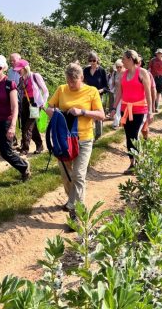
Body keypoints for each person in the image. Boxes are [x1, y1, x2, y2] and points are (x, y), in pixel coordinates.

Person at [46, 63, 105, 226]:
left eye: (74, 81)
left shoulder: (91, 91)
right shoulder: (61, 89)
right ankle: (71, 199)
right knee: (66, 175)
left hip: (84, 139)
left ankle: (76, 212)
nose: (71, 85)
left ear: (82, 78)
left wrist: (83, 112)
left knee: (78, 175)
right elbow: (49, 107)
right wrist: (54, 113)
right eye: (69, 81)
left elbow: (101, 115)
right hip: (64, 140)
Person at [0, 54, 30, 193]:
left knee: (6, 152)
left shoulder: (10, 84)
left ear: (4, 68)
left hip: (4, 122)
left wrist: (12, 126)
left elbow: (15, 108)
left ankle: (23, 167)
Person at [111, 50, 153, 174]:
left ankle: (138, 161)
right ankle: (132, 163)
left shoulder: (143, 72)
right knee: (128, 136)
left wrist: (150, 111)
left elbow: (148, 93)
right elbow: (119, 92)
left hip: (140, 109)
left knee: (134, 135)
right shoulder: (123, 74)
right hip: (126, 109)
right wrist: (114, 108)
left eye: (123, 59)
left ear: (130, 59)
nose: (122, 61)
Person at [14, 59, 49, 155]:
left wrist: (42, 103)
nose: (17, 71)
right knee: (29, 126)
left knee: (28, 127)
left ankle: (25, 148)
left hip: (35, 103)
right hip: (25, 102)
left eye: (19, 69)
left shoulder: (35, 76)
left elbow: (45, 91)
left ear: (25, 68)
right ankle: (39, 145)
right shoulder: (21, 79)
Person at [83, 52, 108, 140]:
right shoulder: (86, 70)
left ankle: (98, 134)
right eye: (90, 60)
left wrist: (100, 90)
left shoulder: (102, 71)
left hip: (98, 96)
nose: (92, 62)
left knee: (97, 115)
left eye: (94, 60)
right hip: (87, 95)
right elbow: (82, 82)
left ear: (97, 60)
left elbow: (106, 87)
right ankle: (88, 133)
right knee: (88, 114)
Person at [138, 55, 157, 140]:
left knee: (144, 128)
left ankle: (145, 139)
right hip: (131, 105)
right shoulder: (127, 73)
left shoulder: (147, 74)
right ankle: (134, 147)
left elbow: (153, 89)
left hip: (144, 105)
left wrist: (152, 105)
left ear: (141, 62)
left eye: (138, 61)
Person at [7, 53, 22, 147]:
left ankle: (26, 143)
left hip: (23, 99)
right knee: (11, 118)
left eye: (14, 60)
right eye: (11, 61)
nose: (12, 62)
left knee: (23, 121)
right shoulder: (10, 71)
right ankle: (13, 139)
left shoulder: (24, 70)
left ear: (20, 60)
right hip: (12, 99)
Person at [110, 59, 124, 129]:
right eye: (117, 67)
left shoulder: (125, 73)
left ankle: (116, 123)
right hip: (116, 93)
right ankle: (119, 121)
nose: (119, 68)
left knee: (118, 108)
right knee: (118, 108)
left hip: (123, 94)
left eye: (120, 67)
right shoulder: (114, 73)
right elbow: (112, 83)